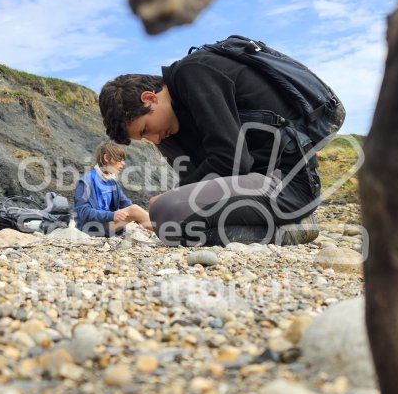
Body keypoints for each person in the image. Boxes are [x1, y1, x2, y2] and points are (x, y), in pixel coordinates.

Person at [98, 46, 321, 246]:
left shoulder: (193, 74)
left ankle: (289, 231)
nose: (154, 139)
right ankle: (284, 229)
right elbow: (197, 185)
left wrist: (171, 199)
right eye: (144, 138)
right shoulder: (173, 127)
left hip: (289, 185)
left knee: (165, 212)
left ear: (150, 98)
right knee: (170, 224)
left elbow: (234, 160)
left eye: (145, 130)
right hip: (253, 188)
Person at [73, 141, 152, 237]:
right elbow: (82, 212)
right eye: (119, 159)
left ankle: (161, 229)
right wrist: (111, 215)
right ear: (106, 158)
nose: (123, 164)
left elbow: (125, 203)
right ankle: (169, 232)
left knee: (135, 209)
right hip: (91, 227)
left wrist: (139, 221)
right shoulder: (86, 181)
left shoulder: (111, 181)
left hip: (108, 225)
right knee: (134, 209)